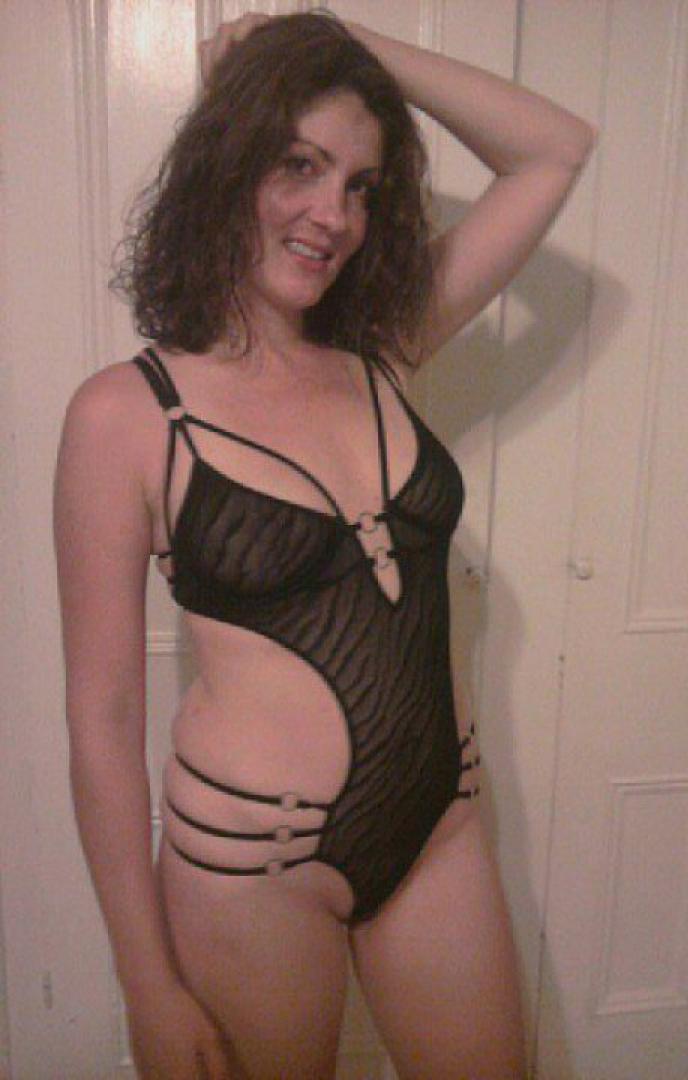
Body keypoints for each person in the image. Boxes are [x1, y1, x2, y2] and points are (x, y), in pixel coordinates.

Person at [54, 11, 595, 1079]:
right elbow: (103, 721)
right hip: (253, 865)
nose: (332, 214)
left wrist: (337, 39)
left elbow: (554, 149)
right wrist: (147, 985)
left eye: (360, 184)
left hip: (437, 827)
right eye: (297, 165)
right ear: (228, 162)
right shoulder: (125, 414)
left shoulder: (381, 350)